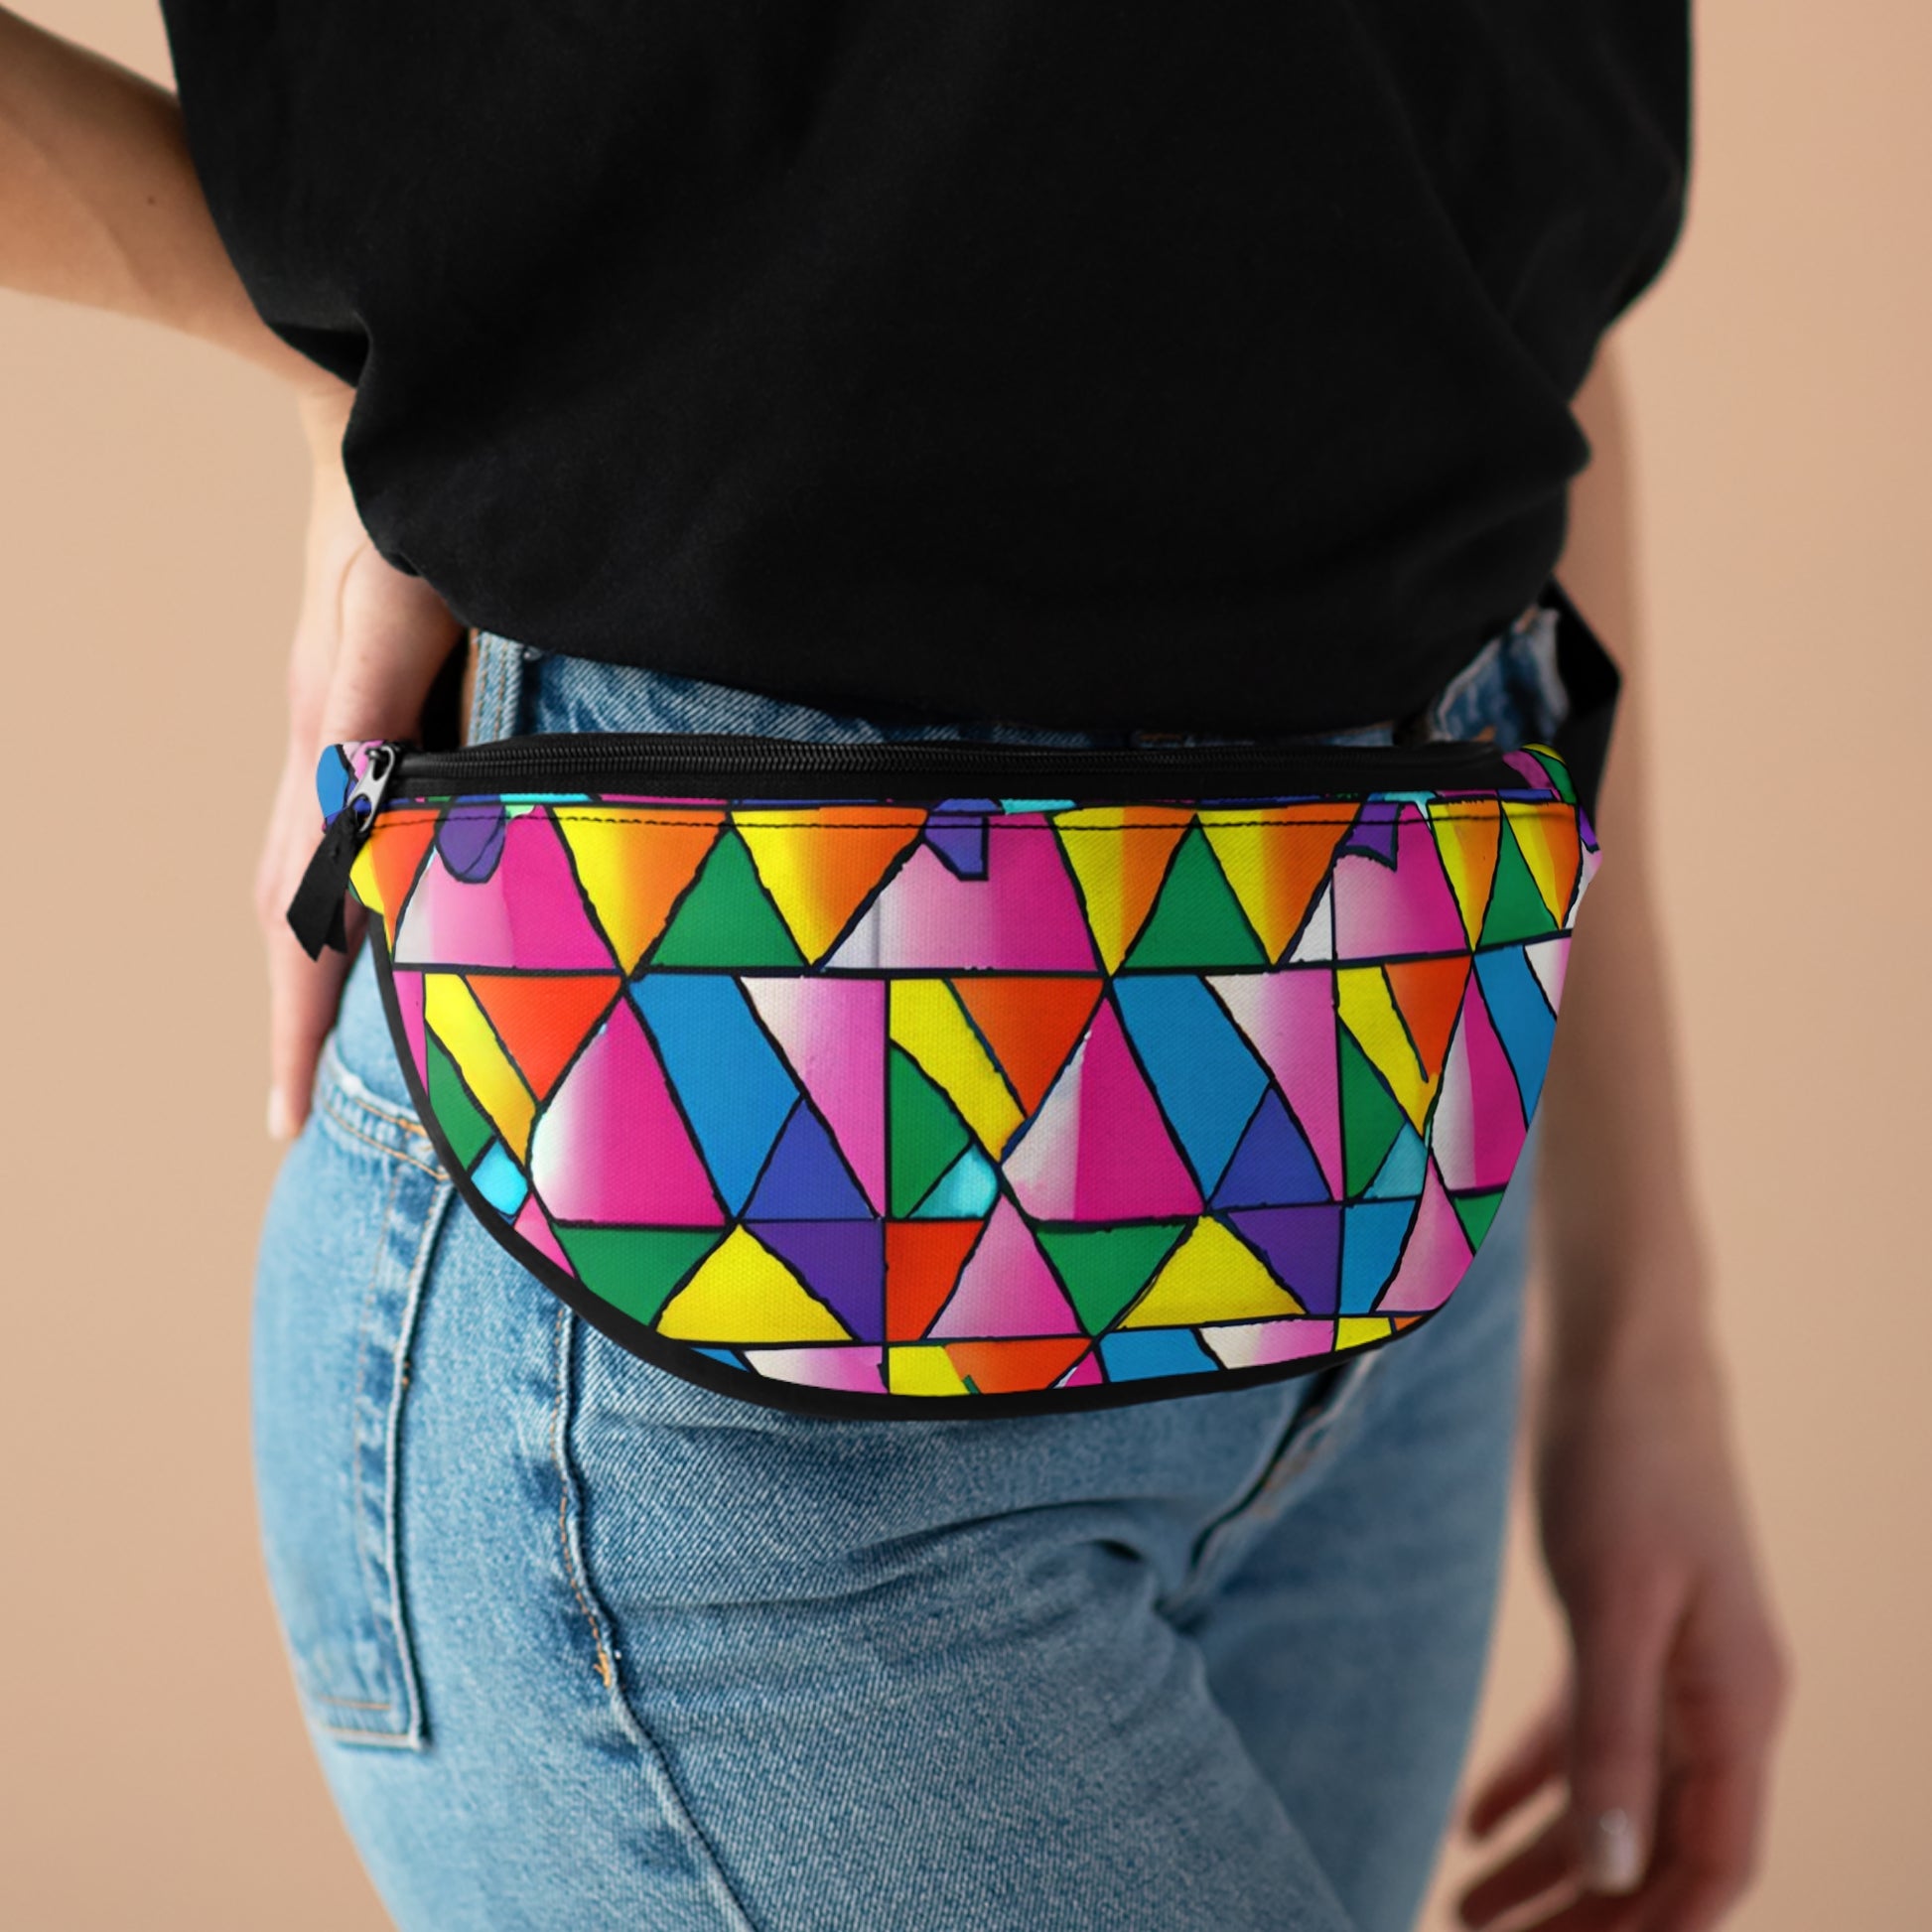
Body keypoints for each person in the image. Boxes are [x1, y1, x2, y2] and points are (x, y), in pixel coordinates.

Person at [1, 7, 1788, 1928]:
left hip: (1401, 1134)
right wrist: (348, 374)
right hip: (727, 1277)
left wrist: (1641, 1332)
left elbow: (1506, 275)